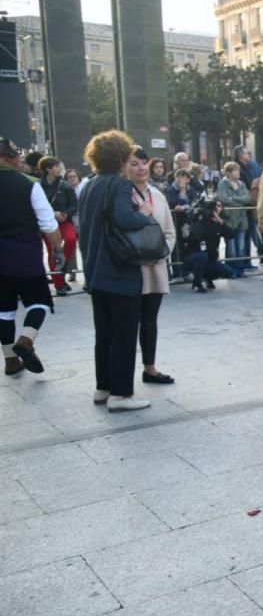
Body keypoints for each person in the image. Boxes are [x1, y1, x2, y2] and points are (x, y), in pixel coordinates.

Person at [77, 130, 159, 411]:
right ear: (121, 158)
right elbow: (125, 218)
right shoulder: (120, 186)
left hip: (95, 272)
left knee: (104, 335)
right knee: (124, 335)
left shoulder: (89, 185)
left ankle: (103, 387)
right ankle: (121, 395)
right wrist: (144, 215)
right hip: (119, 272)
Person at [0, 138, 64, 377]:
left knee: (3, 310)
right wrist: (58, 248)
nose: (20, 159)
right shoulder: (29, 183)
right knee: (39, 302)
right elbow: (48, 222)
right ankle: (26, 340)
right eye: (16, 154)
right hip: (25, 253)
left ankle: (10, 360)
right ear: (7, 156)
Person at [126, 146, 176, 385]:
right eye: (134, 163)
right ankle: (123, 374)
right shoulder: (122, 195)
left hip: (155, 267)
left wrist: (162, 253)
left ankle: (150, 367)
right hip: (131, 268)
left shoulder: (157, 195)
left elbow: (169, 231)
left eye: (143, 162)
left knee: (149, 320)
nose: (141, 168)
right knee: (128, 322)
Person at [38, 157, 78, 297]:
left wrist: (66, 214)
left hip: (64, 221)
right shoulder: (38, 186)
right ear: (48, 169)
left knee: (71, 239)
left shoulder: (65, 185)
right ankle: (59, 284)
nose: (59, 168)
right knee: (53, 252)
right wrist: (52, 214)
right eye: (56, 166)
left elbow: (74, 204)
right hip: (48, 223)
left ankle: (64, 265)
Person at [184, 199, 238, 292]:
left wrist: (220, 221)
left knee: (229, 272)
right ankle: (197, 283)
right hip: (194, 256)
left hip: (210, 258)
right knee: (202, 257)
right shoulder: (200, 222)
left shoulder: (218, 224)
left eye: (219, 206)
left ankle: (207, 278)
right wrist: (202, 218)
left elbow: (231, 235)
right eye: (215, 206)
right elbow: (196, 236)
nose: (217, 209)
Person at [217, 161, 252, 275]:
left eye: (238, 170)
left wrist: (233, 199)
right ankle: (230, 270)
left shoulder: (241, 184)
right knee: (231, 246)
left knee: (240, 246)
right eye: (235, 170)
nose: (238, 172)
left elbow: (247, 198)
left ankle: (240, 269)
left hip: (241, 219)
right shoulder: (223, 184)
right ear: (228, 172)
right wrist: (238, 200)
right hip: (229, 219)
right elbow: (223, 198)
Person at [166, 169, 195, 282]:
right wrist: (182, 194)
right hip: (176, 221)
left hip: (188, 222)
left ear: (188, 179)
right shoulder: (172, 190)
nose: (180, 179)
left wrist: (183, 205)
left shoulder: (191, 189)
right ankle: (178, 272)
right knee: (177, 247)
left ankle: (187, 271)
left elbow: (193, 202)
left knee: (189, 247)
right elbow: (173, 202)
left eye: (183, 177)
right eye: (178, 177)